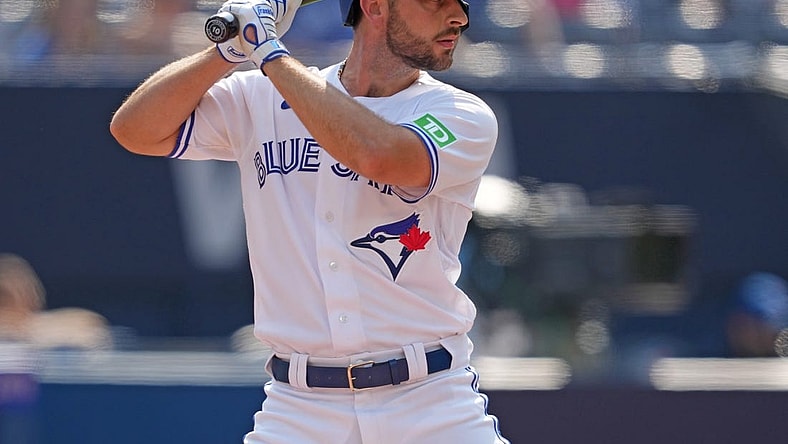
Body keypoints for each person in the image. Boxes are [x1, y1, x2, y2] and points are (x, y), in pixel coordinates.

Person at [110, 0, 505, 442]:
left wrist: (270, 53)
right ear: (374, 6)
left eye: (461, 6)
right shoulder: (261, 96)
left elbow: (378, 155)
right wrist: (228, 51)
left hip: (430, 403)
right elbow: (135, 129)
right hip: (300, 407)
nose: (459, 18)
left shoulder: (462, 114)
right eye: (437, 3)